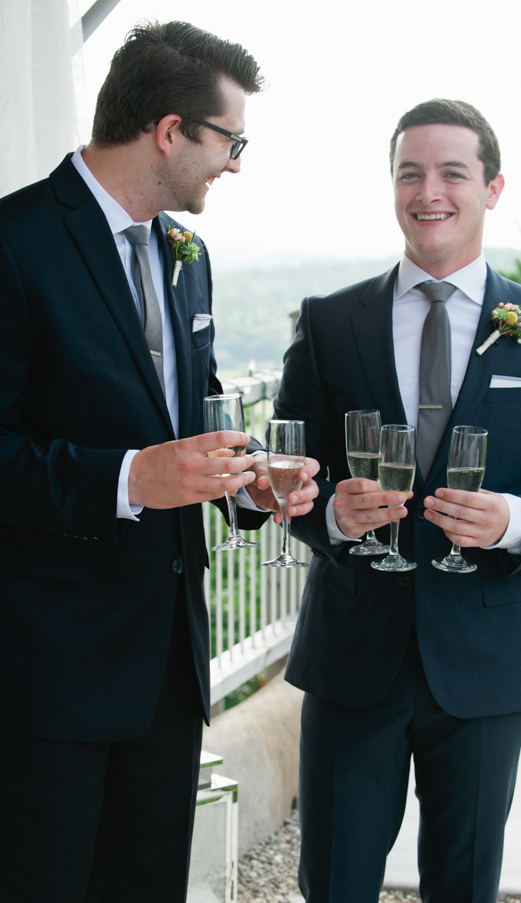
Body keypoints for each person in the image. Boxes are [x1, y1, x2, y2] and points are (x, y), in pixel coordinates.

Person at [0, 20, 318, 903]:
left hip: (168, 677)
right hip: (46, 681)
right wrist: (128, 479)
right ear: (170, 130)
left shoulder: (189, 256)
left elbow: (194, 419)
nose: (236, 163)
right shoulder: (13, 242)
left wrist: (250, 481)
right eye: (231, 140)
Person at [273, 99, 521, 903]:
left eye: (452, 172)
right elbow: (283, 470)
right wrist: (329, 517)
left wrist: (515, 519)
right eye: (409, 172)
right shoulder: (328, 323)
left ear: (491, 187)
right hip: (353, 658)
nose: (430, 191)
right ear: (391, 186)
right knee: (335, 885)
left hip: (486, 662)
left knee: (463, 886)